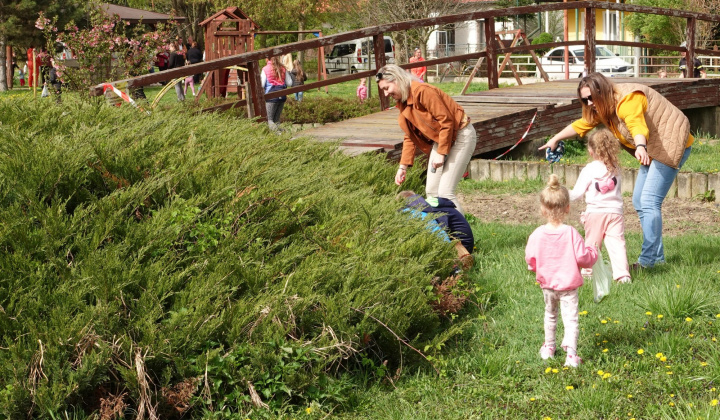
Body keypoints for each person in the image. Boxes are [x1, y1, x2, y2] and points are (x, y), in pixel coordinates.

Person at [539, 72, 693, 270]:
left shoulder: (627, 100)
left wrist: (640, 146)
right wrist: (555, 139)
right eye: (584, 99)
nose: (589, 103)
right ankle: (658, 257)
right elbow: (582, 125)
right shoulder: (603, 106)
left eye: (591, 97)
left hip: (670, 143)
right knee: (639, 200)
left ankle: (648, 261)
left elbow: (637, 125)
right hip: (650, 147)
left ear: (601, 91)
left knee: (649, 201)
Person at [376, 64, 476, 214]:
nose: (385, 94)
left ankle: (463, 236)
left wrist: (441, 153)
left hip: (461, 134)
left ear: (397, 80)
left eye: (386, 88)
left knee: (445, 193)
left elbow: (447, 121)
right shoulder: (403, 102)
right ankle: (444, 234)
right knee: (432, 192)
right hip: (440, 139)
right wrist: (402, 167)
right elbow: (410, 136)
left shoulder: (423, 92)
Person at [525, 174, 598, 368]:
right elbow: (583, 258)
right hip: (568, 286)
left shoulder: (537, 234)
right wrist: (593, 253)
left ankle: (549, 348)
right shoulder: (571, 233)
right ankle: (572, 356)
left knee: (550, 313)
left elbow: (530, 259)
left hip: (547, 285)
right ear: (567, 208)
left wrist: (535, 268)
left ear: (542, 209)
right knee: (570, 318)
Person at [569, 128, 631, 284]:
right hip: (615, 213)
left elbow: (576, 194)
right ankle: (623, 275)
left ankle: (588, 272)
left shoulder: (589, 169)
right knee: (617, 244)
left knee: (592, 244)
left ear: (591, 150)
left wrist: (560, 194)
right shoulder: (615, 168)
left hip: (595, 213)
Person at [397, 190, 475, 268]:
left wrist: (450, 257)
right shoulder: (428, 205)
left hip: (462, 249)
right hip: (465, 242)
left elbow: (438, 232)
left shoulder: (416, 212)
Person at [261, 56, 293, 132]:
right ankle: (283, 134)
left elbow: (261, 84)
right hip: (282, 96)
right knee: (276, 120)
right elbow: (290, 83)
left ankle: (279, 134)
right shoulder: (283, 68)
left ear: (267, 59)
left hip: (271, 97)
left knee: (270, 120)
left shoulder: (265, 69)